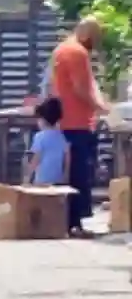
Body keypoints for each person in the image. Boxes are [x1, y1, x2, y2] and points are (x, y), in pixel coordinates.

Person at [49, 16, 110, 237]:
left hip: (65, 121)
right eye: (94, 38)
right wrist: (100, 108)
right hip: (77, 123)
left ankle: (69, 222)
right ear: (86, 34)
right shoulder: (77, 53)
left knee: (70, 172)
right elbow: (81, 88)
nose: (94, 44)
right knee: (79, 174)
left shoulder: (61, 49)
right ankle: (75, 223)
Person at [26, 97, 70, 186]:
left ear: (42, 119)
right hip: (58, 180)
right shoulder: (62, 136)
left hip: (41, 180)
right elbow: (67, 158)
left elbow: (36, 159)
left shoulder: (39, 137)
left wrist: (27, 178)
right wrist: (66, 177)